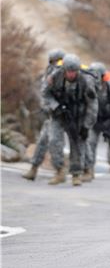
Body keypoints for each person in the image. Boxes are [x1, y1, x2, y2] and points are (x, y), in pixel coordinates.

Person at [42, 54, 98, 186]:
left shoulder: (86, 81)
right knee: (54, 140)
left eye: (74, 72)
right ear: (64, 70)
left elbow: (92, 105)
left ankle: (76, 174)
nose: (72, 74)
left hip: (78, 117)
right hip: (59, 114)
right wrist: (56, 107)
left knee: (77, 143)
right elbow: (45, 94)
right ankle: (59, 171)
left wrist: (86, 126)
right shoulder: (55, 77)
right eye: (69, 71)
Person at [22, 48, 66, 181]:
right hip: (51, 115)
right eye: (52, 61)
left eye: (57, 62)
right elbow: (44, 93)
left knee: (57, 142)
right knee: (42, 141)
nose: (54, 64)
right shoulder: (49, 74)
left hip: (64, 114)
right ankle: (34, 168)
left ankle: (64, 171)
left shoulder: (66, 76)